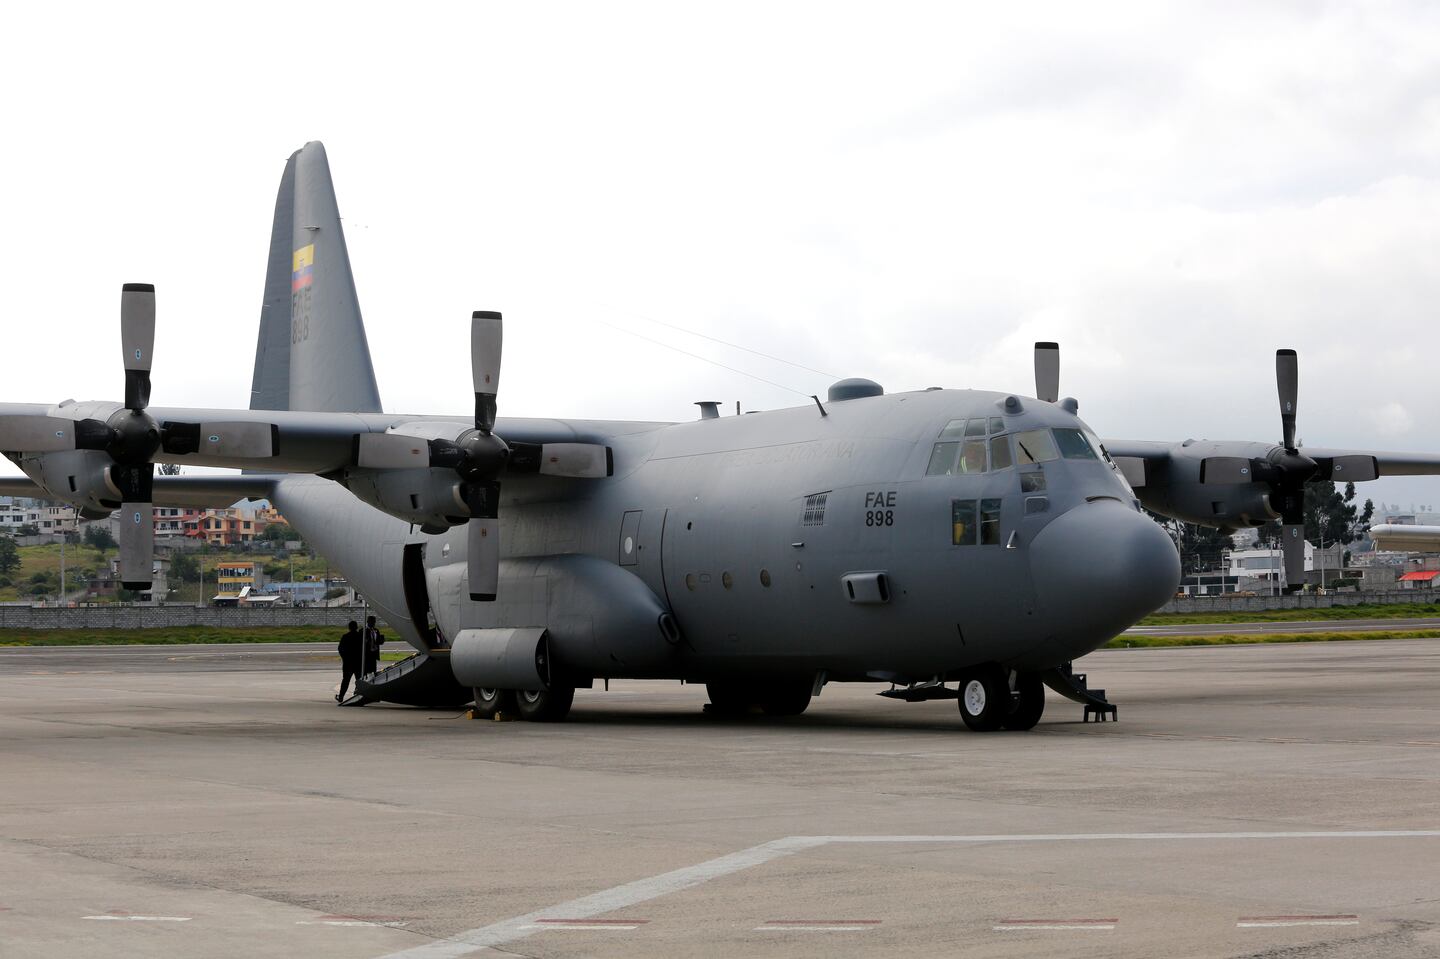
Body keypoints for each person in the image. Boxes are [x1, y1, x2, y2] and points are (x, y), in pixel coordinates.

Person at [336, 620, 362, 703]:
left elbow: (340, 649)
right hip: (358, 662)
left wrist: (345, 658)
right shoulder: (360, 636)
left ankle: (341, 696)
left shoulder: (345, 636)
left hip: (348, 663)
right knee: (359, 680)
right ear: (356, 627)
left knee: (346, 680)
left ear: (349, 628)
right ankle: (359, 695)